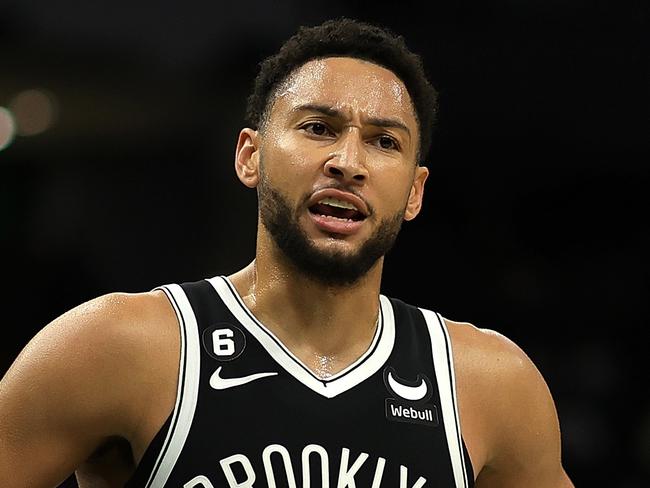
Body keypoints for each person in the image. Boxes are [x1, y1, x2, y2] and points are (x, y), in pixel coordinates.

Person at [0, 17, 574, 488]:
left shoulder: (491, 384)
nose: (349, 162)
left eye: (384, 141)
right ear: (250, 156)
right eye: (319, 127)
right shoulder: (117, 347)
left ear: (415, 191)